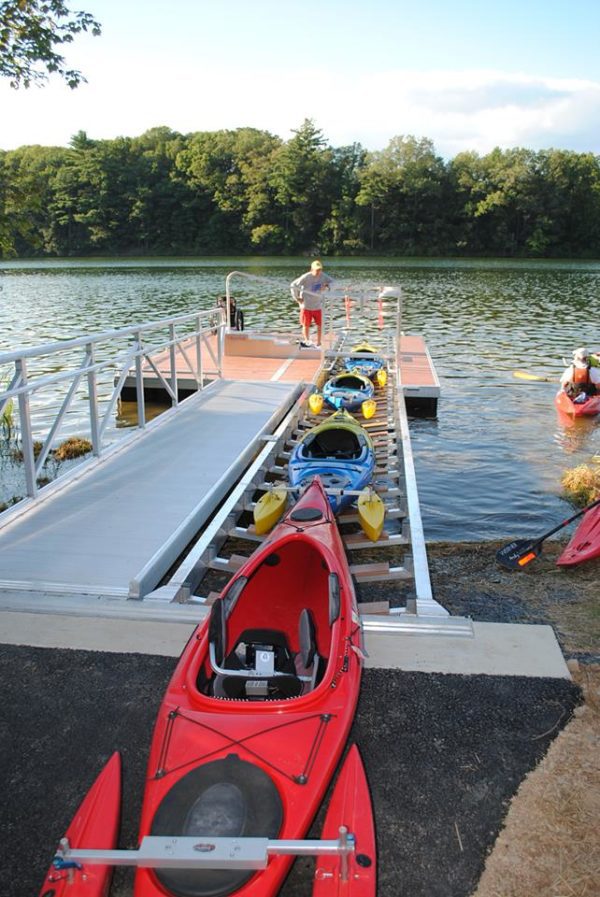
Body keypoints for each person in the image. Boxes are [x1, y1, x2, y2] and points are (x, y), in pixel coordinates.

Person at [290, 260, 333, 348]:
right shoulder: (306, 277)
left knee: (320, 325)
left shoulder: (323, 276)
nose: (318, 272)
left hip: (318, 305)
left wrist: (327, 286)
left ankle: (319, 343)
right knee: (306, 325)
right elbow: (293, 285)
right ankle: (307, 341)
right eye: (316, 270)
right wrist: (297, 298)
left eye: (320, 270)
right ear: (311, 269)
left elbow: (333, 282)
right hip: (306, 305)